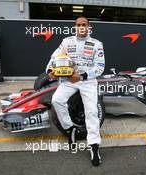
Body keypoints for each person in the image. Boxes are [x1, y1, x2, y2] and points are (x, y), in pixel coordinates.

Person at [46, 16, 105, 166]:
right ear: (75, 26)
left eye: (84, 25)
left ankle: (94, 146)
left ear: (89, 26)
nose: (81, 27)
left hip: (87, 81)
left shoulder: (97, 44)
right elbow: (54, 57)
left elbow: (99, 67)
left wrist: (81, 76)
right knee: (56, 100)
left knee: (91, 111)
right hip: (68, 81)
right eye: (78, 25)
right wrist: (50, 71)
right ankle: (70, 128)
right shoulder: (67, 42)